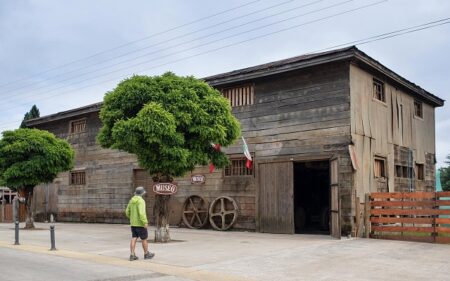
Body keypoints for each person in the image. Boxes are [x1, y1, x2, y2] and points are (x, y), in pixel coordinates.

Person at [125, 186, 155, 261]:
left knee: (134, 238)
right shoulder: (141, 201)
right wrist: (145, 222)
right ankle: (146, 254)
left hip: (133, 223)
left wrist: (132, 218)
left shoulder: (131, 200)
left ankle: (132, 254)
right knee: (144, 238)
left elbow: (127, 212)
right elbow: (141, 213)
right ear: (142, 193)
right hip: (140, 224)